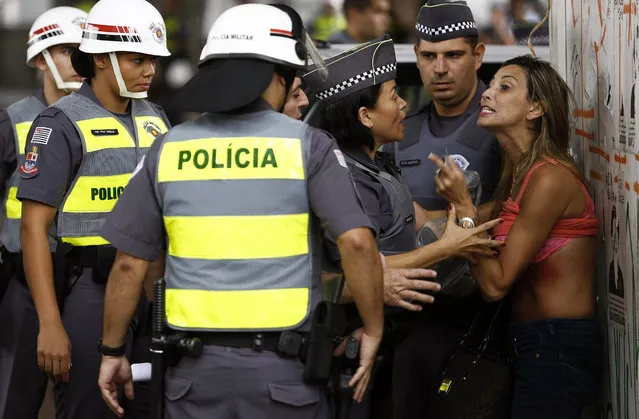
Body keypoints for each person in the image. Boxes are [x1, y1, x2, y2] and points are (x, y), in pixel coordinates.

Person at [95, 4, 385, 419]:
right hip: (282, 376)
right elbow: (356, 242)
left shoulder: (169, 147)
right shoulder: (309, 145)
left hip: (192, 377)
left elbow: (129, 264)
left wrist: (112, 350)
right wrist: (373, 329)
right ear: (277, 75)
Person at [303, 34, 504, 418]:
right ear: (365, 116)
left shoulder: (374, 165)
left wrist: (477, 205)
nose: (403, 105)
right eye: (393, 95)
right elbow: (356, 267)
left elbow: (419, 218)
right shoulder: (349, 180)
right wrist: (448, 248)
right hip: (372, 342)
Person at [16, 0, 171, 418]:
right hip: (89, 290)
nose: (150, 71)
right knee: (89, 407)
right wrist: (50, 324)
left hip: (149, 293)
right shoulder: (59, 122)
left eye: (153, 60)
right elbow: (32, 229)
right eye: (138, 59)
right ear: (101, 57)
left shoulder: (157, 118)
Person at [431, 54, 602, 419]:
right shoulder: (520, 174)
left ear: (536, 108)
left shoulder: (549, 178)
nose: (487, 94)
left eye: (504, 87)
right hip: (529, 343)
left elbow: (495, 285)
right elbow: (469, 223)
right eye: (490, 86)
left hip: (556, 347)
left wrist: (462, 204)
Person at [381, 2, 504, 417]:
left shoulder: (506, 124)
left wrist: (436, 219)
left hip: (483, 319)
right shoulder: (401, 131)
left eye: (453, 55)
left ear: (478, 55)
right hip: (411, 319)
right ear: (416, 55)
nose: (440, 68)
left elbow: (524, 203)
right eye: (429, 56)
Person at [0, 7, 87, 418]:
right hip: (25, 285)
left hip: (87, 283)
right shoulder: (12, 122)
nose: (80, 61)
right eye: (69, 50)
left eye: (86, 51)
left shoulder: (114, 120)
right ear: (40, 58)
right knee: (15, 400)